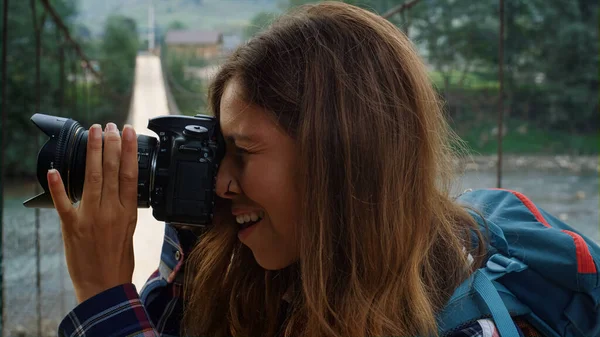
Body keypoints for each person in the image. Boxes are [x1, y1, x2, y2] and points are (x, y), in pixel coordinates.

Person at [48, 2, 541, 336]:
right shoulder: (226, 252)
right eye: (221, 149)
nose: (220, 181)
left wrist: (104, 297)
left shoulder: (462, 326)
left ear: (338, 163)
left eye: (243, 151)